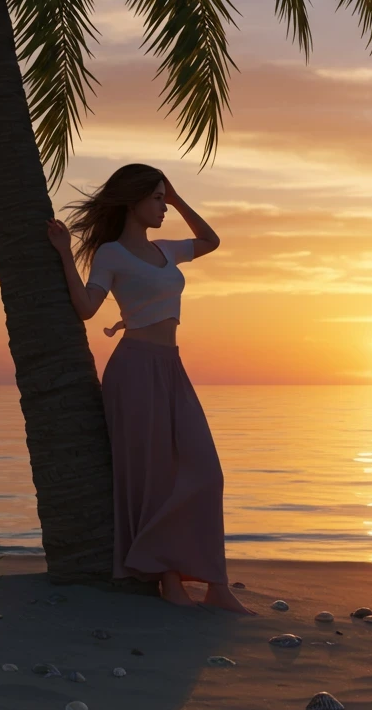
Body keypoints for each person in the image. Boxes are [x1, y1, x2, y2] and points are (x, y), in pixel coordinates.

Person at [46, 164, 253, 614]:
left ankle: (215, 584)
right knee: (155, 476)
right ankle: (169, 580)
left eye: (164, 198)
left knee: (206, 471)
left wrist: (179, 199)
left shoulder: (165, 251)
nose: (162, 206)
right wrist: (64, 252)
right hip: (134, 369)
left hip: (171, 367)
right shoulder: (111, 254)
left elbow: (211, 241)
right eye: (157, 198)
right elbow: (85, 308)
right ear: (133, 200)